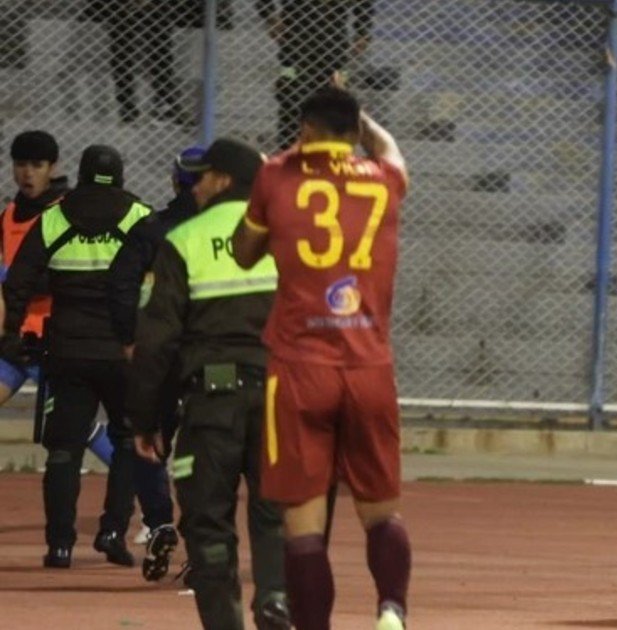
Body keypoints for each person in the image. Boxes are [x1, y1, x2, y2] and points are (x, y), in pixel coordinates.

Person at [231, 86, 411, 630]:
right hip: (368, 365)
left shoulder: (276, 176)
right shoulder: (384, 180)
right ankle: (391, 609)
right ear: (356, 133)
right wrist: (368, 125)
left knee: (303, 522)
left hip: (299, 367)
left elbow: (244, 254)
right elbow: (392, 151)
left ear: (305, 130)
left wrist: (284, 163)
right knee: (380, 509)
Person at [129, 138, 288, 629]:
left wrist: (148, 419)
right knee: (276, 509)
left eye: (202, 177)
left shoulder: (185, 240)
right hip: (282, 399)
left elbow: (156, 342)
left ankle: (225, 621)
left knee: (208, 517)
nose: (194, 187)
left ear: (222, 180)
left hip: (213, 400)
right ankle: (276, 598)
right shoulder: (288, 236)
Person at [2, 145, 151, 568]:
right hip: (124, 352)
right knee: (125, 444)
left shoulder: (55, 217)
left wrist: (11, 337)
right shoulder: (140, 218)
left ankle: (60, 546)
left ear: (80, 176)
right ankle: (112, 533)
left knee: (63, 451)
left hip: (66, 350)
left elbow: (17, 284)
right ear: (120, 176)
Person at [108, 145, 207, 578]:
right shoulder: (224, 233)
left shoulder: (150, 230)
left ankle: (160, 520)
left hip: (157, 355)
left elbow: (120, 285)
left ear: (174, 181)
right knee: (206, 454)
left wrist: (129, 339)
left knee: (146, 439)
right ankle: (201, 543)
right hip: (207, 358)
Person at [254, 0, 376, 150]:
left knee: (340, 92)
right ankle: (289, 148)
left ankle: (333, 147)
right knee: (289, 88)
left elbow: (365, 5)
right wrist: (270, 16)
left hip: (335, 46)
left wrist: (362, 31)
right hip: (294, 46)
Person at [84, 0, 186, 124]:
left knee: (160, 54)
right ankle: (127, 106)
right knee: (122, 54)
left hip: (156, 7)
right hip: (121, 7)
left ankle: (165, 102)